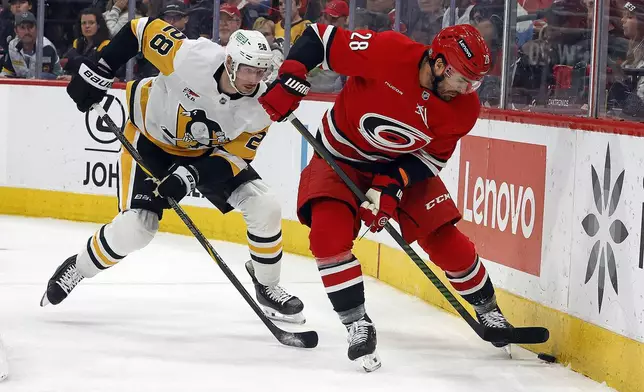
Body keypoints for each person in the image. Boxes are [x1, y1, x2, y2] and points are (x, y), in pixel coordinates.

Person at [259, 23, 510, 371]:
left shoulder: (464, 108)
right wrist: (292, 75)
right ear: (439, 64)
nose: (468, 89)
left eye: (475, 81)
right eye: (462, 78)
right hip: (340, 158)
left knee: (445, 240)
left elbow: (429, 158)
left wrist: (390, 185)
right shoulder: (389, 52)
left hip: (396, 168)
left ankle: (488, 309)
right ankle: (357, 324)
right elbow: (319, 38)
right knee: (328, 236)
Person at [40, 20, 306, 325]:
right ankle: (79, 267)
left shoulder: (262, 105)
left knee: (265, 205)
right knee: (137, 228)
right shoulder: (193, 58)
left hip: (206, 154)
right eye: (248, 69)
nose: (254, 79)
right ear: (230, 62)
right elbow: (140, 30)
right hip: (150, 140)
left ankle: (267, 285)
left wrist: (189, 176)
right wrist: (100, 68)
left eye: (261, 72)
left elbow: (234, 157)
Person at [0, 11, 62, 79]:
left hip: (45, 86)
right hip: (21, 86)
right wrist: (3, 77)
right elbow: (8, 71)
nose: (27, 31)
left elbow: (54, 76)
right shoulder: (12, 46)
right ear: (16, 31)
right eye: (22, 27)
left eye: (30, 27)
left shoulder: (46, 47)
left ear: (37, 29)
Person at [58, 8, 111, 81]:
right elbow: (65, 63)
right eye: (84, 23)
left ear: (98, 25)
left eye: (91, 23)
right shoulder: (77, 43)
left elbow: (102, 73)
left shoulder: (106, 45)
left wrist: (74, 78)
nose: (87, 26)